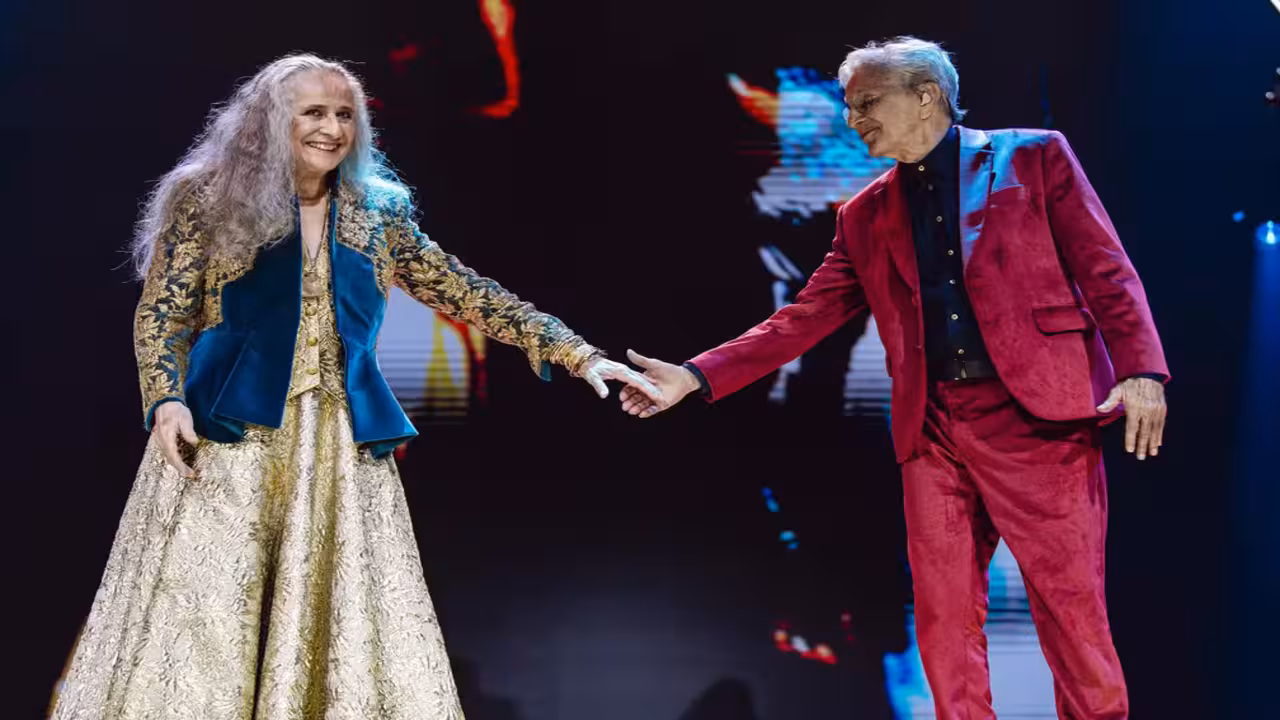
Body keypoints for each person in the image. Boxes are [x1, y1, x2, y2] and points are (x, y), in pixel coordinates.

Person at [51, 53, 660, 719]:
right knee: (204, 615)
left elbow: (466, 292)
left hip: (338, 446)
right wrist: (165, 398)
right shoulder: (206, 198)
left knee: (338, 620)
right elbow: (163, 312)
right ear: (270, 121)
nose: (332, 128)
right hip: (227, 441)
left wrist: (573, 351)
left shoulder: (378, 211)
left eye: (345, 115)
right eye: (313, 112)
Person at [620, 36, 1168, 720]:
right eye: (850, 108)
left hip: (1037, 420)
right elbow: (802, 318)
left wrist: (1142, 368)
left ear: (926, 95)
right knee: (943, 623)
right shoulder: (865, 213)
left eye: (867, 103)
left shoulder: (1033, 155)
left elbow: (1105, 268)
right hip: (935, 429)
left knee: (1068, 609)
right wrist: (696, 377)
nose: (856, 121)